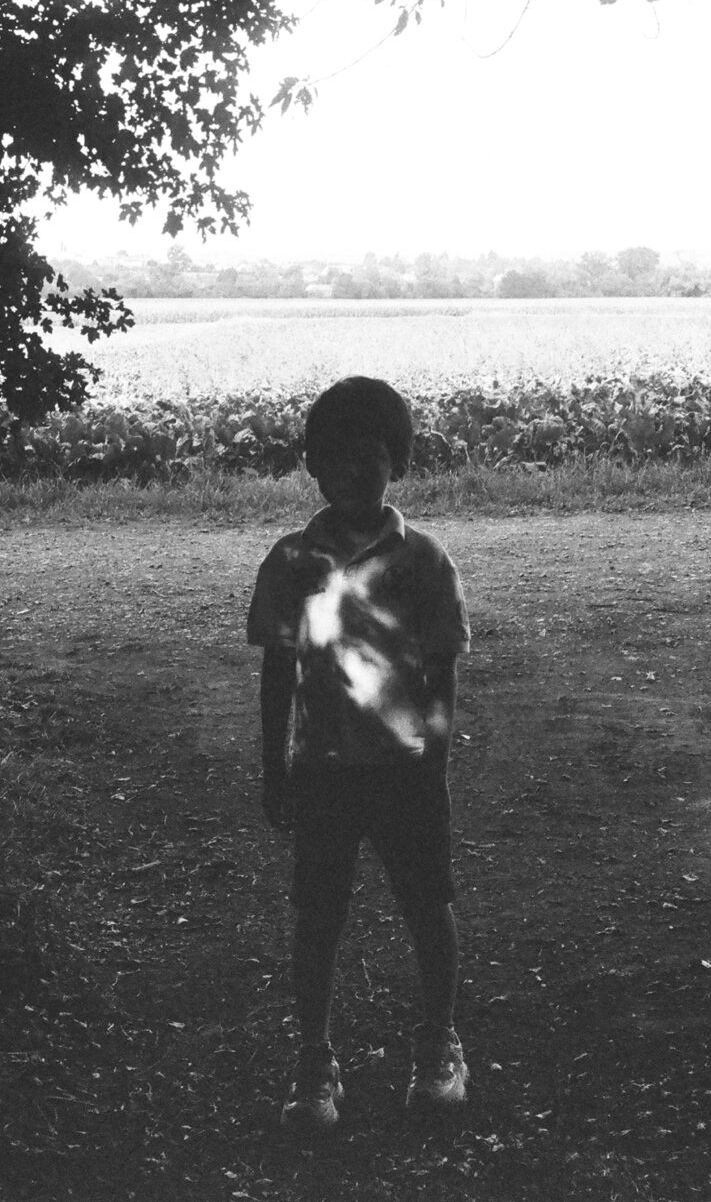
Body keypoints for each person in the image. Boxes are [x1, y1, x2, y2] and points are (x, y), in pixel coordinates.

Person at [247, 375, 472, 1133]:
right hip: (323, 770)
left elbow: (441, 671)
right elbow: (277, 669)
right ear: (312, 463)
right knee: (318, 917)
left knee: (427, 906)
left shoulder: (426, 561)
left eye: (370, 455)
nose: (352, 471)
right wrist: (274, 767)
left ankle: (438, 1044)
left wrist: (435, 762)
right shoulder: (290, 561)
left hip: (407, 770)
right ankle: (314, 1059)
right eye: (335, 456)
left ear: (397, 462)